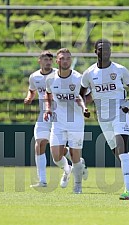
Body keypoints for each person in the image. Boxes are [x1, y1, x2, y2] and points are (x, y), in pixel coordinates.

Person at [81, 39, 129, 200]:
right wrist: (84, 107)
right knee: (118, 154)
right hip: (103, 117)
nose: (106, 51)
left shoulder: (120, 70)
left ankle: (128, 191)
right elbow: (81, 94)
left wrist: (128, 103)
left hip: (119, 113)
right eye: (102, 49)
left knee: (122, 153)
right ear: (96, 51)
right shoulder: (89, 73)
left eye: (109, 49)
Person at [44, 48, 88, 194]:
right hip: (58, 122)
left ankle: (77, 185)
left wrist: (83, 105)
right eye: (62, 58)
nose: (65, 61)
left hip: (76, 122)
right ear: (57, 61)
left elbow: (88, 95)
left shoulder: (78, 78)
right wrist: (48, 108)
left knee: (76, 156)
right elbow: (48, 94)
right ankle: (67, 169)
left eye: (68, 58)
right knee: (56, 157)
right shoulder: (50, 78)